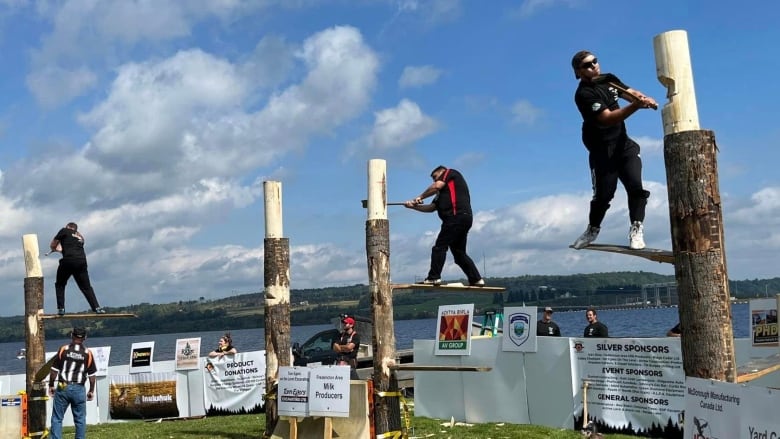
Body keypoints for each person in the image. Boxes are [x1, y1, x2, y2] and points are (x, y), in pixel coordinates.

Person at [569, 51, 658, 251]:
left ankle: (636, 228)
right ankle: (592, 229)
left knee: (636, 187)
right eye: (587, 65)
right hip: (602, 151)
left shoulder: (608, 79)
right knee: (604, 196)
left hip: (623, 144)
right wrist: (636, 106)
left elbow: (629, 93)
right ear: (578, 71)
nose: (594, 66)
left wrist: (643, 98)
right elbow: (607, 118)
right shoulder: (583, 94)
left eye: (595, 61)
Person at [404, 166, 484, 286]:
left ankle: (434, 277)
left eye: (435, 177)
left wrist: (420, 197)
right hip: (463, 219)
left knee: (439, 247)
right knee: (459, 254)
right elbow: (431, 208)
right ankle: (476, 279)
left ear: (441, 172)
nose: (434, 181)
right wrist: (413, 207)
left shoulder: (449, 173)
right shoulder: (441, 194)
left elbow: (436, 186)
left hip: (455, 217)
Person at [48, 327, 97, 439]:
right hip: (79, 388)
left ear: (71, 335)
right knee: (80, 420)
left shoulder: (63, 349)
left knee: (57, 418)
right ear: (85, 338)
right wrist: (91, 390)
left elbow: (54, 371)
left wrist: (51, 385)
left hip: (63, 386)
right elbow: (92, 375)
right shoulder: (87, 353)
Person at [50, 222, 105, 315]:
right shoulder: (81, 238)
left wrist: (55, 248)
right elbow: (71, 247)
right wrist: (61, 249)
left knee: (60, 284)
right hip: (81, 261)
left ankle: (61, 308)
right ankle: (97, 308)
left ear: (68, 227)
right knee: (86, 287)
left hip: (68, 261)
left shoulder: (64, 230)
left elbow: (53, 244)